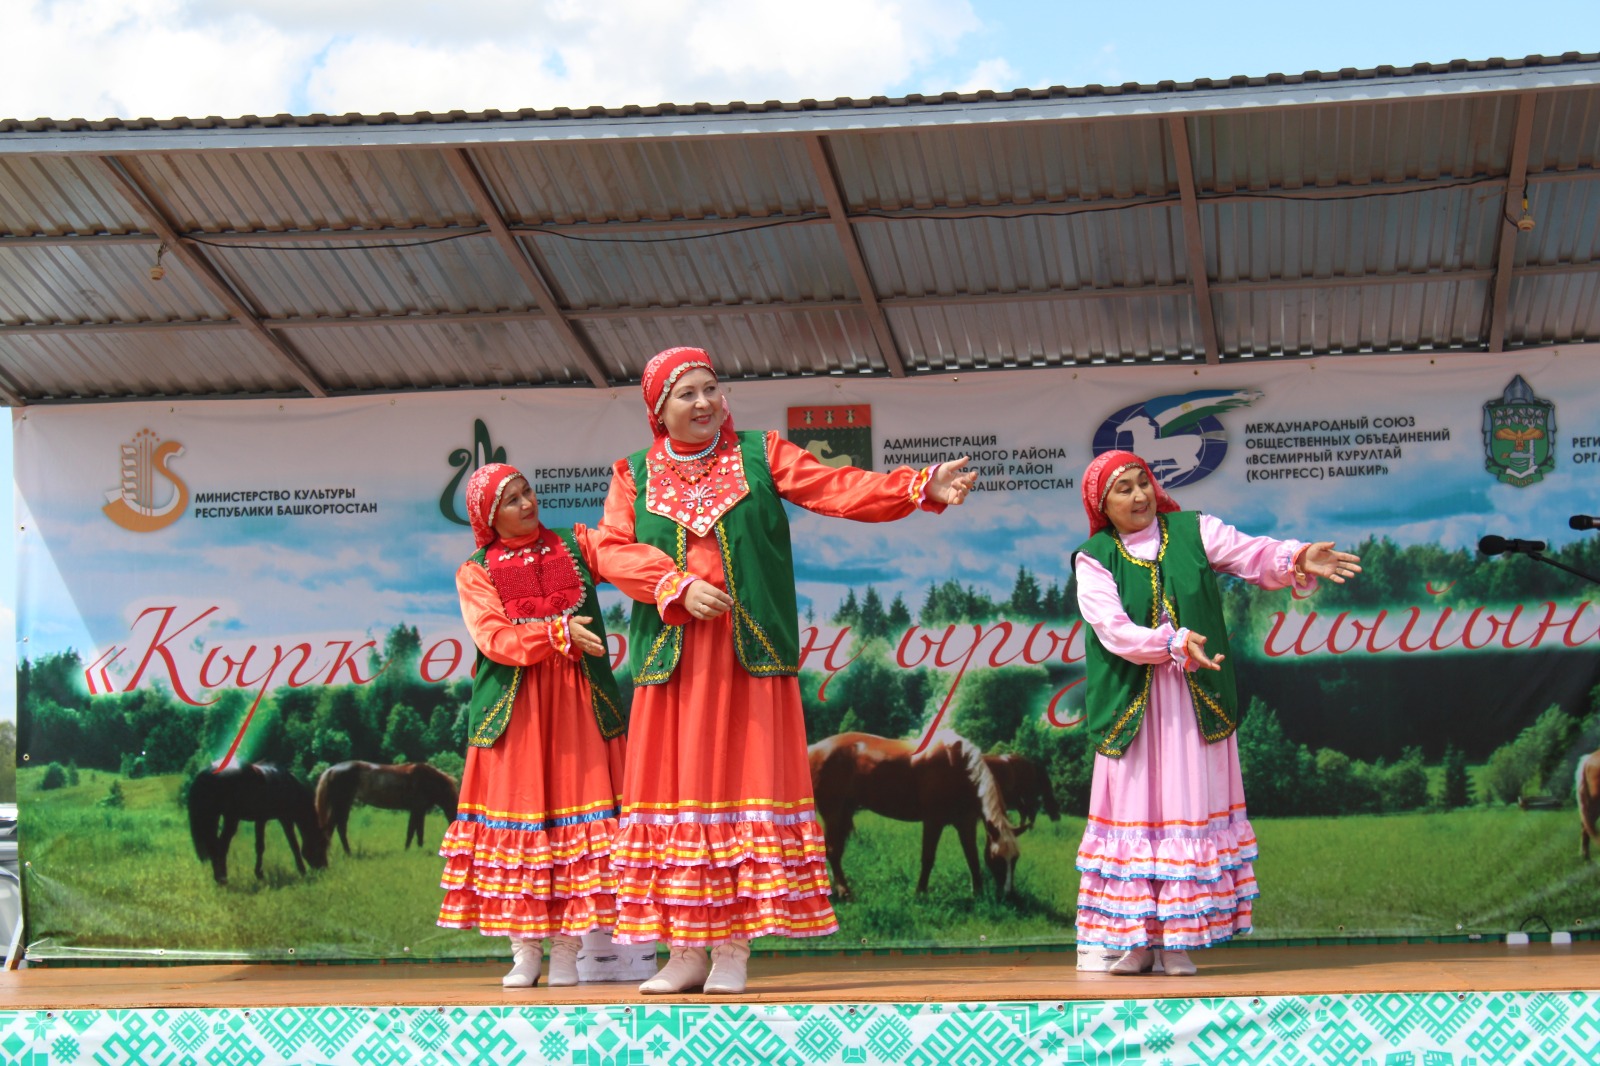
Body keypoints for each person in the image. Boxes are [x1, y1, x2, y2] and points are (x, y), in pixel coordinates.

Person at [595, 345, 977, 995]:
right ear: (659, 411)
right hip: (675, 658)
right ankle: (685, 955)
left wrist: (917, 486)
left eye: (711, 389)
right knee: (679, 798)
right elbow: (609, 548)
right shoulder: (634, 474)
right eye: (687, 394)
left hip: (747, 656)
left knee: (740, 791)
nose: (705, 402)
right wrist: (673, 585)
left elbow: (836, 487)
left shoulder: (760, 453)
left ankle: (733, 953)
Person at [1071, 450, 1360, 977]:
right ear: (1102, 505)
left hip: (1191, 701)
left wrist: (1296, 558)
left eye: (1144, 483)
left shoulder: (1192, 530)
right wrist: (1174, 642)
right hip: (1133, 706)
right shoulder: (1094, 557)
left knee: (1184, 806)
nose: (1139, 497)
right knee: (1140, 815)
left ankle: (1177, 939)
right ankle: (1137, 942)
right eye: (1124, 490)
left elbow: (1251, 554)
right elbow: (1113, 630)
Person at [438, 463, 685, 988]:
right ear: (488, 516)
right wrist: (554, 633)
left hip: (578, 703)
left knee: (578, 820)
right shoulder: (475, 570)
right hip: (516, 711)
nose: (527, 503)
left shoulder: (576, 545)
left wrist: (671, 579)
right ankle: (525, 950)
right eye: (512, 500)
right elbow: (493, 638)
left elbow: (623, 556)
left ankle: (567, 950)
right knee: (524, 821)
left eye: (527, 491)